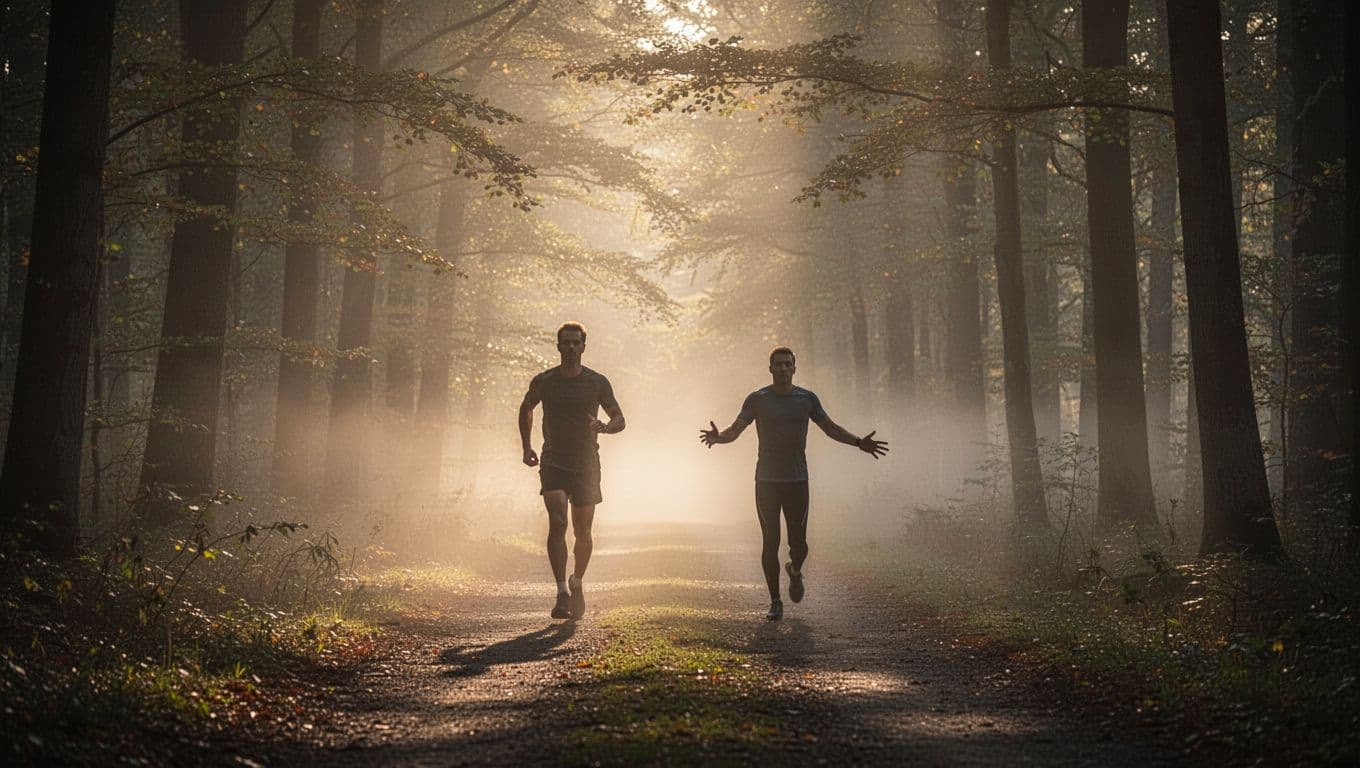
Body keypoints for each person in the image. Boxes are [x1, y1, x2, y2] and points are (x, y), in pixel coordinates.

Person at [700, 346, 888, 621]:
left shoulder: (806, 399)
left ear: (795, 368)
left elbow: (831, 428)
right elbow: (735, 429)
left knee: (799, 544)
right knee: (770, 541)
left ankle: (795, 569)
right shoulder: (757, 399)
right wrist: (719, 438)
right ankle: (775, 601)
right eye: (778, 364)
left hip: (798, 480)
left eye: (788, 364)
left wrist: (859, 442)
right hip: (766, 481)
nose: (783, 369)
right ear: (770, 368)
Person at [519, 322, 625, 620]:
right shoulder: (545, 381)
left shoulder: (597, 382)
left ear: (583, 346)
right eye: (565, 342)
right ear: (557, 345)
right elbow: (526, 407)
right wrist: (527, 446)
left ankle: (578, 580)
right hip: (553, 459)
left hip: (586, 463)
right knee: (557, 521)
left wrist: (604, 428)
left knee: (583, 530)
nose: (570, 347)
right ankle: (562, 591)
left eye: (576, 343)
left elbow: (619, 418)